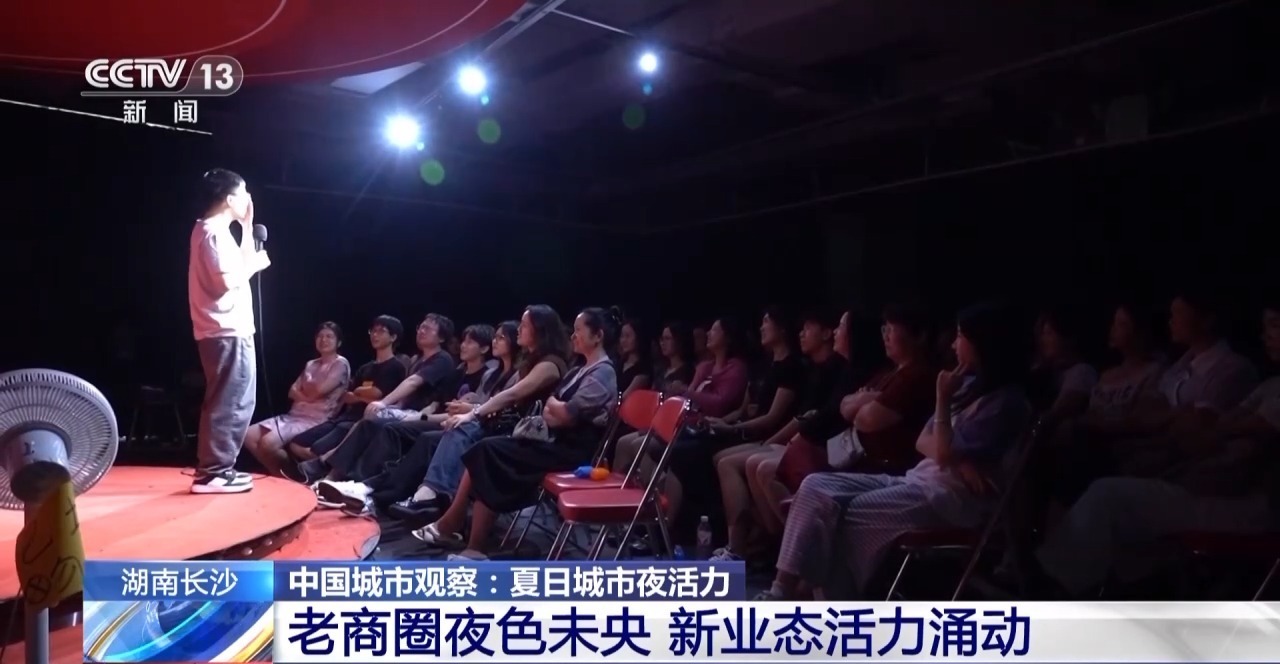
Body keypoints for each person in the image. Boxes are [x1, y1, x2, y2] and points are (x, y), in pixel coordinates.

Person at [757, 302, 1032, 599]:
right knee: (815, 486)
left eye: (961, 336)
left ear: (984, 343)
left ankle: (832, 600)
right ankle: (782, 590)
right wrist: (960, 459)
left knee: (850, 512)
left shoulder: (1004, 402)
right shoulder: (966, 387)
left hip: (947, 498)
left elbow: (939, 449)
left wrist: (943, 406)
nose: (953, 344)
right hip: (917, 480)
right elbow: (924, 441)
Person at [1035, 303, 1280, 597]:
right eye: (1266, 326)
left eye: (1275, 326)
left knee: (1108, 495)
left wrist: (1200, 430)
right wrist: (1192, 427)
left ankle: (1053, 590)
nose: (1266, 335)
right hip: (1200, 480)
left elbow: (1217, 434)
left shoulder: (1237, 371)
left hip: (1246, 502)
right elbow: (1194, 425)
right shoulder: (1268, 385)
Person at [411, 307, 620, 558]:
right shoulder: (579, 369)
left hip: (570, 450)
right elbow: (552, 410)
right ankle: (461, 533)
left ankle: (466, 538)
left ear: (597, 336)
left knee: (488, 449)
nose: (573, 336)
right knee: (486, 449)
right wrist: (556, 408)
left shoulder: (603, 372)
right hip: (553, 439)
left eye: (578, 330)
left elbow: (564, 414)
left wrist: (555, 407)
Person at [284, 314, 456, 483]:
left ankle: (330, 470)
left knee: (371, 420)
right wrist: (384, 403)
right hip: (399, 411)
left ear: (441, 338)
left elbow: (412, 383)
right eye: (421, 327)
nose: (421, 331)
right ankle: (328, 474)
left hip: (422, 416)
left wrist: (383, 402)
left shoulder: (442, 359)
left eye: (428, 328)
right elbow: (348, 395)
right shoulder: (416, 360)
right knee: (367, 422)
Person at [187, 168, 270, 494]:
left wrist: (247, 228)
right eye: (244, 192)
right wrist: (255, 265)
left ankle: (218, 469)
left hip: (226, 330)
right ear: (229, 198)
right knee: (231, 401)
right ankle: (213, 472)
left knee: (232, 399)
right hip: (225, 330)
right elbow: (224, 282)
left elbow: (237, 267)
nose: (249, 198)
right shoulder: (212, 233)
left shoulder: (216, 231)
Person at [287, 315, 407, 461]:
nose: (375, 335)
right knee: (296, 443)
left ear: (393, 337)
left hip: (362, 422)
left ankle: (323, 465)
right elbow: (347, 396)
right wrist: (363, 395)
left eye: (381, 331)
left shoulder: (395, 366)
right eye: (373, 331)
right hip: (344, 418)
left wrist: (360, 393)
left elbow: (377, 393)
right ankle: (321, 464)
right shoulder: (366, 368)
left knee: (318, 449)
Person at [243, 322, 351, 475]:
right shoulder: (311, 364)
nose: (323, 340)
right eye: (320, 336)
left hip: (315, 419)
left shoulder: (340, 364)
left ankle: (293, 476)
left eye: (329, 336)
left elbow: (318, 391)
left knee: (268, 443)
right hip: (294, 415)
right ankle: (279, 474)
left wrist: (305, 390)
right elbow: (292, 391)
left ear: (338, 342)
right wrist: (308, 396)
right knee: (248, 435)